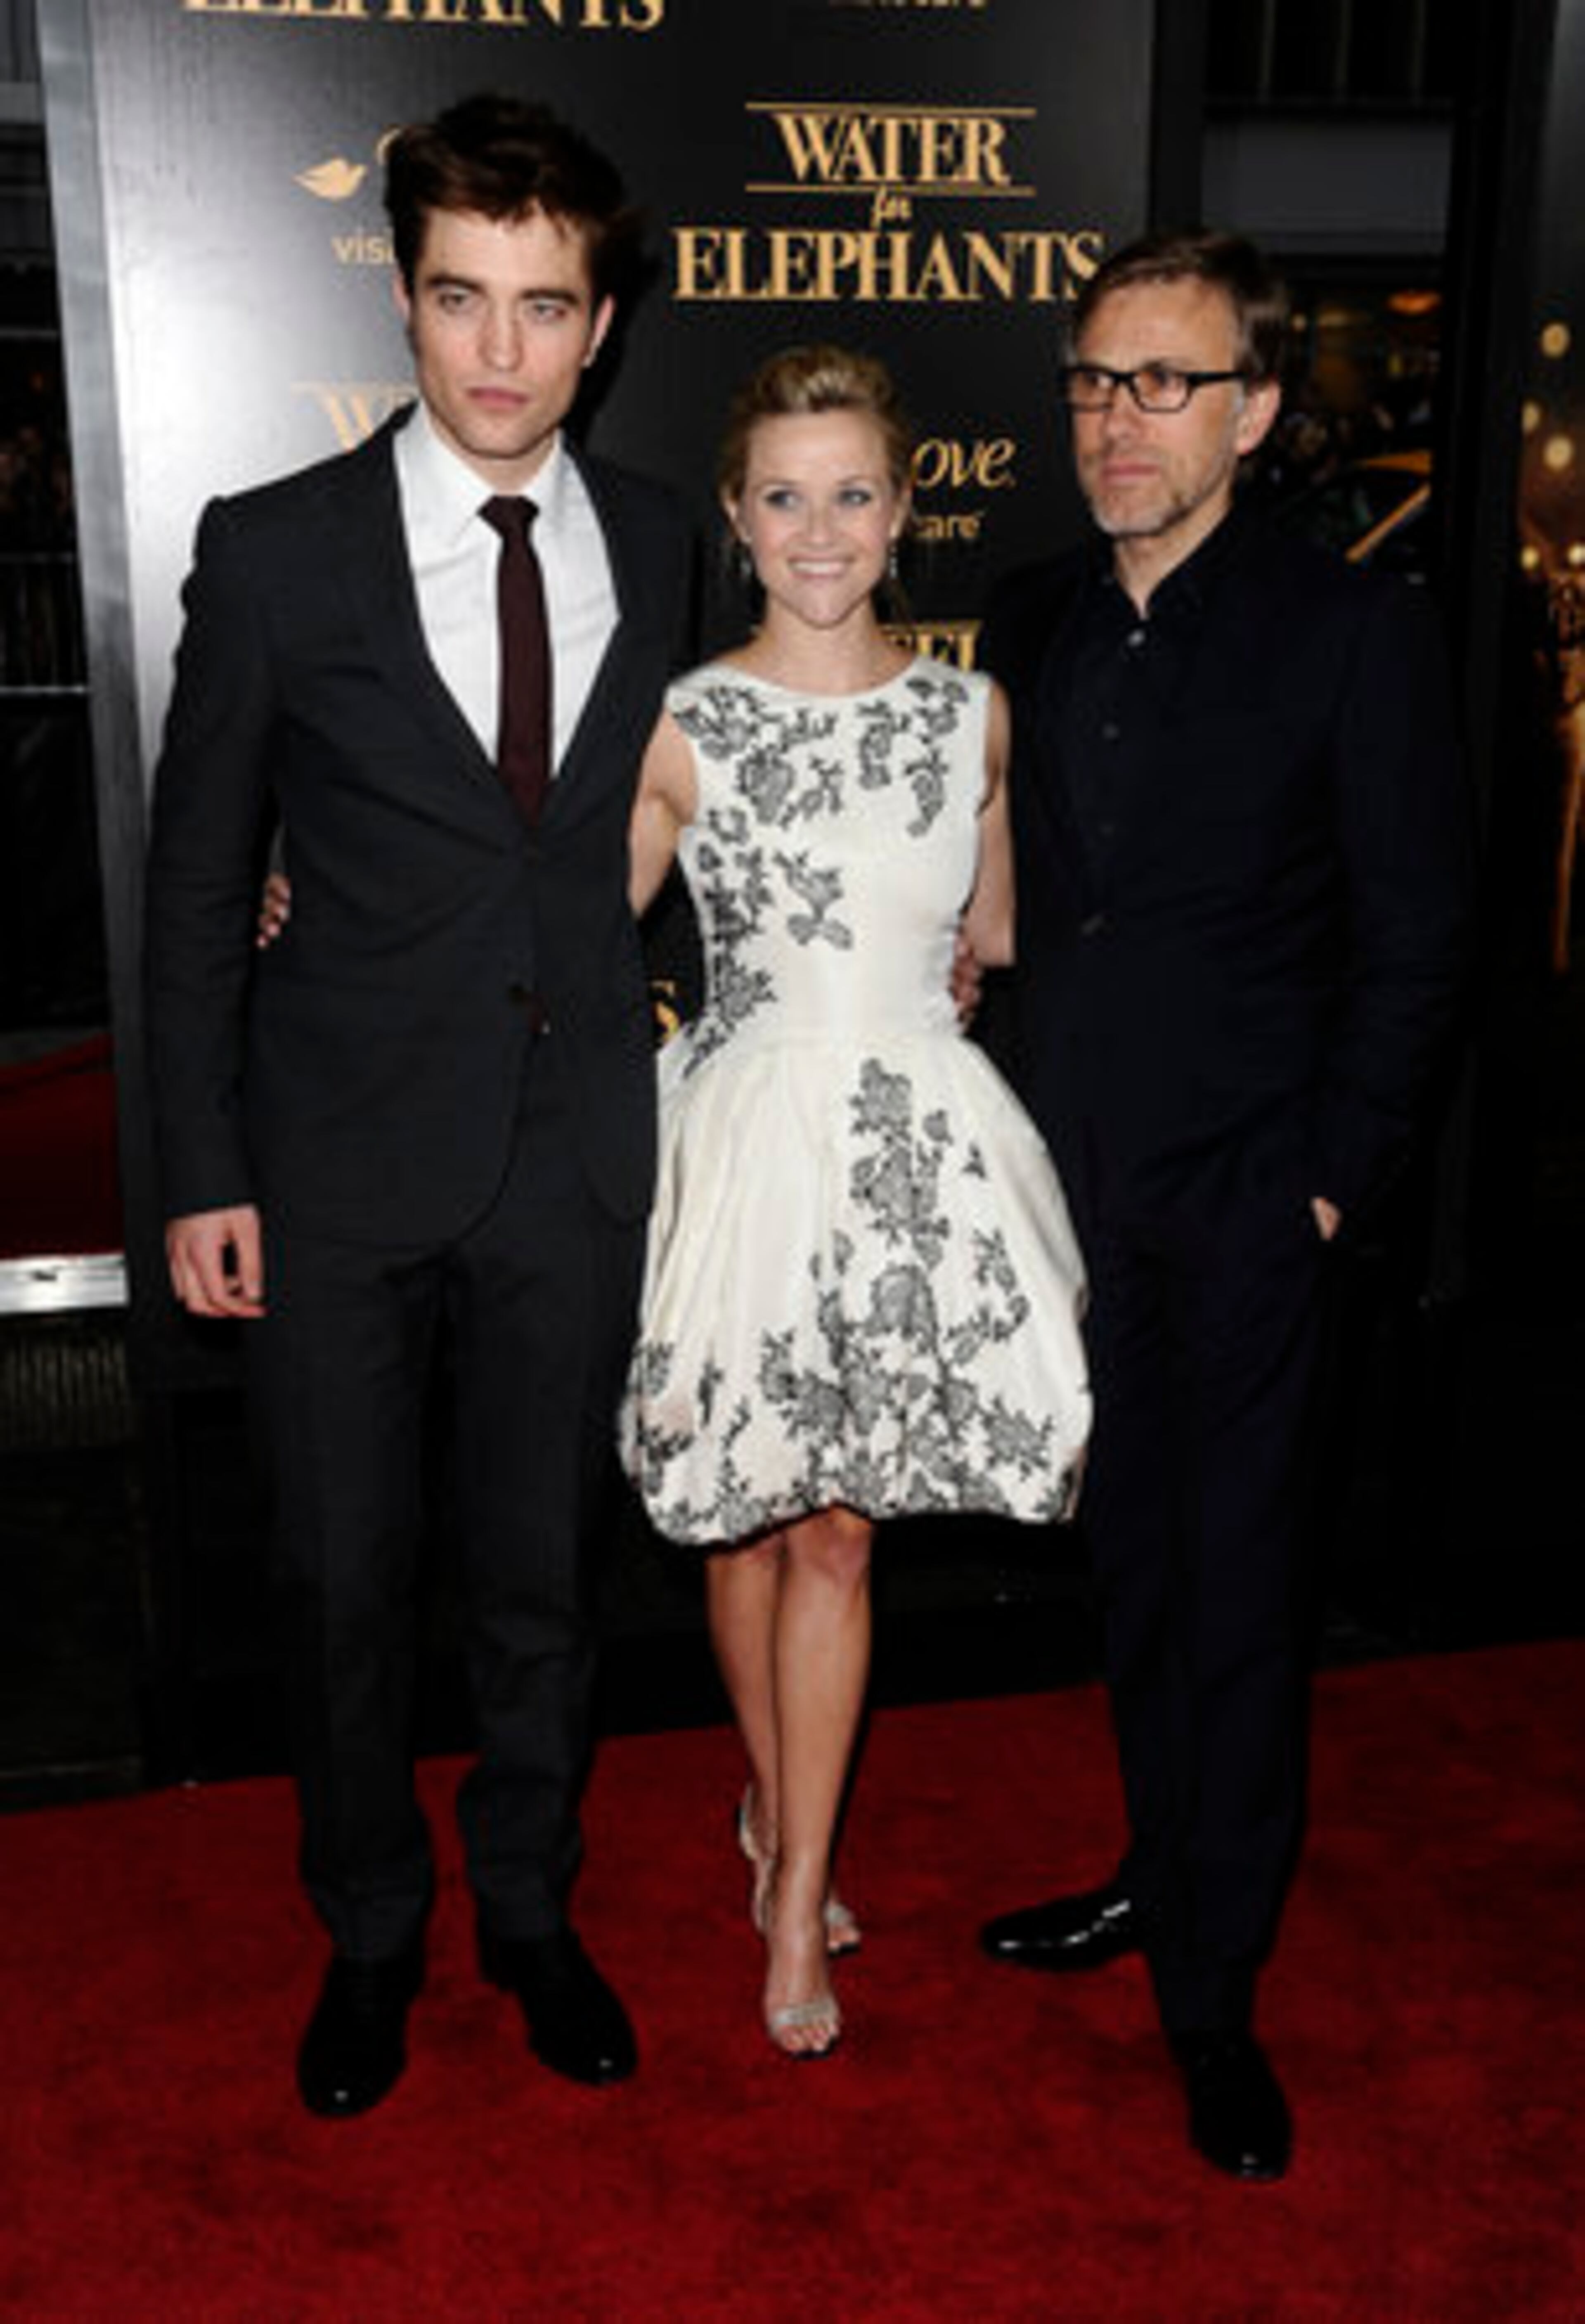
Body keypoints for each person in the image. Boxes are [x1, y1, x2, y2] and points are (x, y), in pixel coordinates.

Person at [144, 94, 693, 2118]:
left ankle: (531, 1908)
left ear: (601, 322)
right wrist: (201, 1164)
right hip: (336, 1159)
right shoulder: (275, 548)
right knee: (341, 1578)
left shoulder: (665, 537)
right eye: (461, 297)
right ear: (401, 292)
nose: (499, 350)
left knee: (545, 1574)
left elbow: (670, 824)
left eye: (544, 306)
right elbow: (198, 881)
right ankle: (371, 1927)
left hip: (569, 1150)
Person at [975, 231, 1471, 2179]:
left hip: (1259, 1208)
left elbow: (1420, 941)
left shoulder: (1354, 632)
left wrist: (1332, 1185)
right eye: (1096, 380)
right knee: (1134, 1572)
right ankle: (1153, 1863)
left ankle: (1214, 1987)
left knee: (1244, 1596)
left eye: (1166, 383)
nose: (1119, 418)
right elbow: (1010, 902)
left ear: (1253, 412)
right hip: (1071, 1205)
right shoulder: (1029, 614)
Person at [617, 345, 1091, 2058]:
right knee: (743, 1519)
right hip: (749, 1142)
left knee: (838, 1527)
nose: (819, 532)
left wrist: (941, 973)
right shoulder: (687, 719)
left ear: (902, 513)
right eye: (784, 498)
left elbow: (999, 933)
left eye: (852, 496)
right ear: (739, 520)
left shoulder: (973, 717)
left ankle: (797, 1879)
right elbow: (561, 929)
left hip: (908, 1145)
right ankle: (771, 1802)